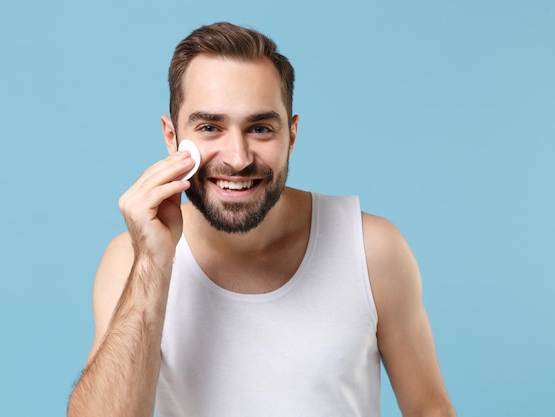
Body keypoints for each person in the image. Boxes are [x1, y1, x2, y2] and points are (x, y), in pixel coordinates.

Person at [67, 21, 456, 417]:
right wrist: (152, 263)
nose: (237, 158)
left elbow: (431, 408)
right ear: (172, 137)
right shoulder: (129, 261)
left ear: (291, 134)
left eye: (260, 128)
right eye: (209, 127)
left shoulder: (372, 250)